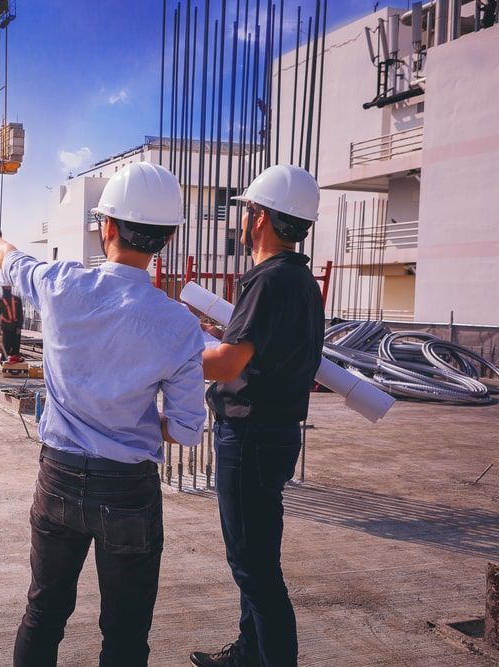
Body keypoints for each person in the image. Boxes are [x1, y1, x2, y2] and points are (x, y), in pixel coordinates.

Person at [0, 162, 207, 666]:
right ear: (165, 237)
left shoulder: (61, 285)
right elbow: (187, 430)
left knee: (44, 612)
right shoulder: (179, 324)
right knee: (124, 635)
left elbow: (10, 259)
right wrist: (133, 422)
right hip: (128, 489)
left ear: (108, 227)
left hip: (57, 476)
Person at [190, 165, 325, 667]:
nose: (244, 221)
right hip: (275, 433)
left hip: (248, 435)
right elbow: (266, 350)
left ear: (261, 217)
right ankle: (249, 654)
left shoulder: (266, 281)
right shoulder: (301, 282)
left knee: (253, 568)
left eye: (247, 211)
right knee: (257, 554)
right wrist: (213, 333)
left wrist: (172, 348)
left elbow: (227, 363)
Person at [0, 282, 24, 358]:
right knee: (6, 347)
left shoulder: (17, 299)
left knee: (16, 349)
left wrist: (19, 327)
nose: (8, 288)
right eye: (6, 286)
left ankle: (15, 364)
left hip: (16, 327)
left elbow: (20, 314)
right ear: (3, 287)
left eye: (9, 286)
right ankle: (4, 362)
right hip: (6, 328)